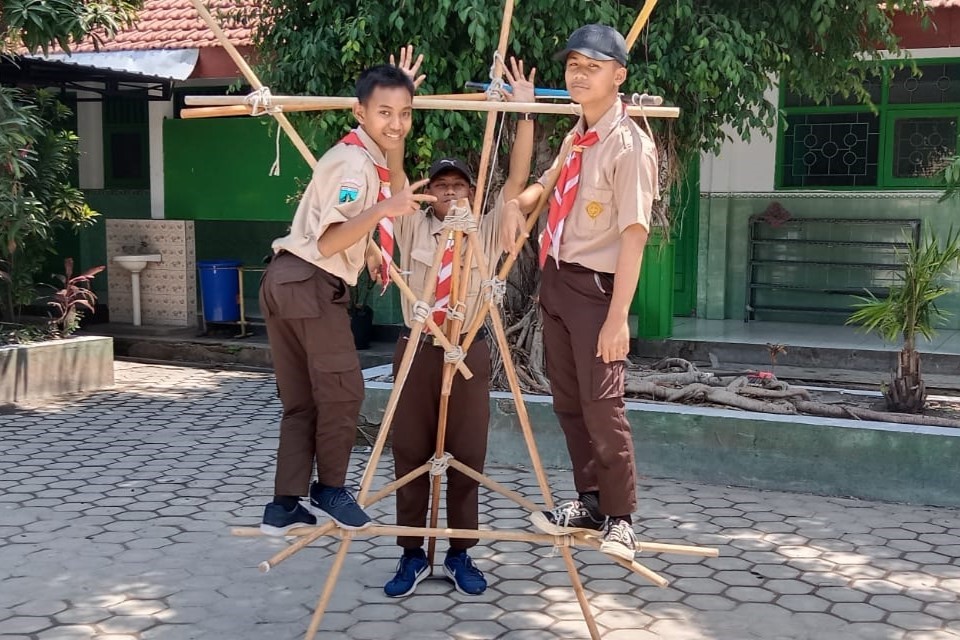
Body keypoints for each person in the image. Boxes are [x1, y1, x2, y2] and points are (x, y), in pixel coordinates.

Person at [499, 24, 659, 561]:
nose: (579, 75)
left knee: (603, 406)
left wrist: (618, 318)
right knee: (568, 403)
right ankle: (590, 501)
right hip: (557, 282)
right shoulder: (577, 135)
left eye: (593, 67)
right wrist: (516, 204)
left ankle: (621, 517)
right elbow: (547, 185)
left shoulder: (629, 146)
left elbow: (634, 236)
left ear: (619, 76)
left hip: (596, 292)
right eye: (573, 65)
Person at [258, 61, 436, 536]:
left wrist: (372, 249)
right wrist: (384, 210)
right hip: (311, 284)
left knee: (302, 402)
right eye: (384, 113)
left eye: (404, 113)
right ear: (360, 112)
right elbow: (329, 240)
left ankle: (284, 504)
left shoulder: (360, 155)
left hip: (284, 280)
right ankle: (330, 488)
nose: (396, 124)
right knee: (344, 391)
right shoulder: (355, 165)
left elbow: (381, 187)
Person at [382, 57, 537, 596]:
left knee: (467, 456)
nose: (450, 194)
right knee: (410, 452)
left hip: (469, 352)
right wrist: (400, 100)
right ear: (429, 193)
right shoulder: (411, 226)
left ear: (471, 193)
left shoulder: (487, 230)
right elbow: (395, 170)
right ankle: (411, 554)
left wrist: (523, 113)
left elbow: (517, 180)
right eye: (441, 186)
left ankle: (460, 553)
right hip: (419, 350)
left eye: (459, 187)